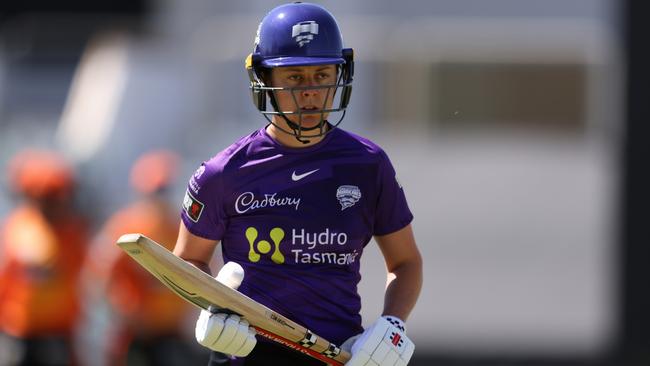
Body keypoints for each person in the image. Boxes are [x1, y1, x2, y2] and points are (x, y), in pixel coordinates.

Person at [173, 2, 422, 365]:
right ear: (265, 80)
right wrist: (213, 308)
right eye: (294, 77)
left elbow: (405, 261)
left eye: (322, 75)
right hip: (243, 354)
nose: (309, 92)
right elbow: (188, 259)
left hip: (335, 355)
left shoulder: (369, 165)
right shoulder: (223, 172)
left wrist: (392, 324)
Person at [82, 150, 210, 365]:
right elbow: (100, 273)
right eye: (157, 191)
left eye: (165, 190)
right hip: (136, 333)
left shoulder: (181, 228)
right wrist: (118, 312)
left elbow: (204, 274)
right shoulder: (126, 225)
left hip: (172, 331)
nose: (161, 198)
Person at [0, 149, 89, 366]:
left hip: (59, 332)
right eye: (51, 197)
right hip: (20, 333)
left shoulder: (74, 233)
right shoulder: (19, 227)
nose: (59, 204)